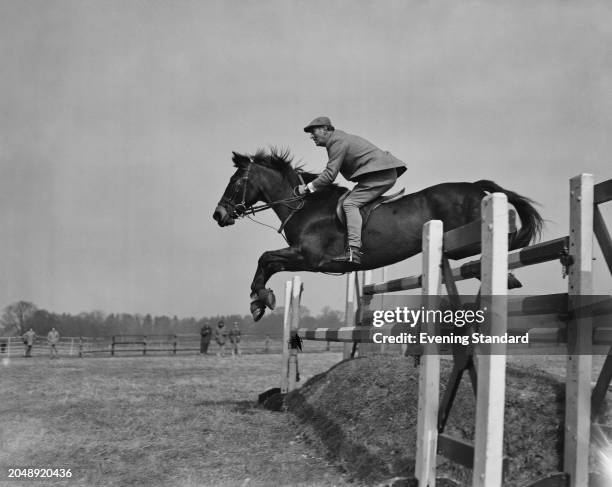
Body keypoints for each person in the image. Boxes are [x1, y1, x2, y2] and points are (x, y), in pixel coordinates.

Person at [298, 116, 406, 264]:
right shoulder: (337, 139)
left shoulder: (336, 141)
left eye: (313, 131)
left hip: (381, 174)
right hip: (379, 173)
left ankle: (353, 251)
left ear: (326, 129)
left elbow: (330, 175)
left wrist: (308, 188)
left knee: (349, 204)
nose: (311, 136)